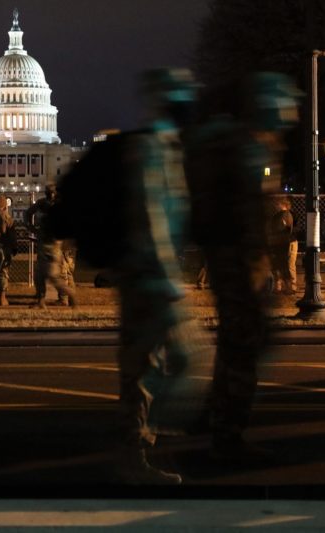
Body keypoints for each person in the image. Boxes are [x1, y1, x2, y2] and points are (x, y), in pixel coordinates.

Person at [187, 72, 302, 463]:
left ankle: (213, 415)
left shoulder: (244, 143)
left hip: (234, 259)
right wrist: (256, 259)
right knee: (245, 345)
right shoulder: (249, 147)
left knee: (239, 343)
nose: (292, 110)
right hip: (239, 261)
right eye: (286, 101)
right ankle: (227, 435)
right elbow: (247, 210)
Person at [112, 68, 201, 485]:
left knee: (170, 362)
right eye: (182, 93)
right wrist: (168, 279)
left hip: (155, 277)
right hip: (148, 279)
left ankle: (147, 430)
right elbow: (150, 218)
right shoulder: (149, 148)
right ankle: (134, 452)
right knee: (149, 368)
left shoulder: (166, 145)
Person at [24, 184, 76, 308]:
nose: (50, 195)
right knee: (40, 275)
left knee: (59, 275)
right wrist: (31, 227)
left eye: (52, 192)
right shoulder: (42, 204)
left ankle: (67, 296)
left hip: (56, 246)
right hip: (47, 244)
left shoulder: (60, 206)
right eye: (48, 192)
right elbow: (28, 213)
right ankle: (42, 301)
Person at [268, 197, 295, 294]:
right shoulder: (284, 215)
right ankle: (283, 287)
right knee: (281, 265)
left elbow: (282, 228)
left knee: (282, 265)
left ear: (283, 205)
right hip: (281, 242)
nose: (276, 206)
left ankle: (286, 287)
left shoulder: (284, 215)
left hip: (280, 243)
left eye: (278, 204)